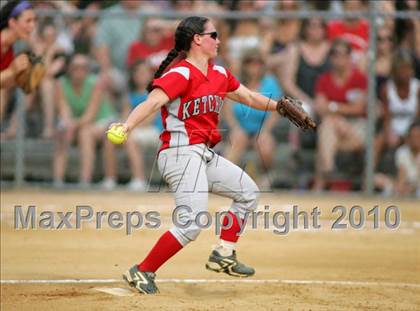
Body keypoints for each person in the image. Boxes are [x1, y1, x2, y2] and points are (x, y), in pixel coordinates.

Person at [109, 16, 286, 294]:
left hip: (201, 154)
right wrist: (128, 125)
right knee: (191, 224)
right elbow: (153, 101)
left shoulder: (219, 73)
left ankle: (223, 254)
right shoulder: (181, 74)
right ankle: (142, 270)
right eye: (213, 35)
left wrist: (281, 107)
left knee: (249, 192)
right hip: (179, 153)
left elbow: (250, 97)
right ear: (197, 40)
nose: (219, 40)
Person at [313, 39, 367, 191]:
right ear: (331, 58)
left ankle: (320, 184)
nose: (339, 59)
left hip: (356, 127)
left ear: (350, 57)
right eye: (335, 55)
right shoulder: (324, 79)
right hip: (334, 131)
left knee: (324, 142)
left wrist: (334, 108)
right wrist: (337, 116)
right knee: (328, 125)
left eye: (343, 55)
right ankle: (330, 170)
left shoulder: (359, 78)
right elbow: (319, 107)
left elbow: (358, 109)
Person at [223, 50, 282, 185]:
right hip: (240, 128)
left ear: (263, 65)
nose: (254, 66)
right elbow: (228, 110)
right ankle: (226, 181)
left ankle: (265, 179)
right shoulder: (235, 82)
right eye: (250, 62)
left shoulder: (271, 83)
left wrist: (265, 130)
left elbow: (276, 111)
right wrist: (235, 127)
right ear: (244, 65)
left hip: (263, 127)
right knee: (237, 140)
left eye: (258, 62)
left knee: (264, 143)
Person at [374, 49, 420, 168]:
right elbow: (386, 117)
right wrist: (389, 132)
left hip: (413, 128)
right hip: (394, 128)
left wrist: (408, 135)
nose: (406, 73)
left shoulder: (417, 88)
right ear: (395, 71)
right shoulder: (386, 89)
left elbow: (417, 118)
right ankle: (368, 177)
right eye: (402, 69)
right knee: (378, 141)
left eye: (408, 68)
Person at [0, 0, 36, 121]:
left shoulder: (8, 49)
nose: (33, 26)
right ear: (12, 22)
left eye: (34, 21)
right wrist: (12, 71)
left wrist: (18, 76)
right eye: (28, 21)